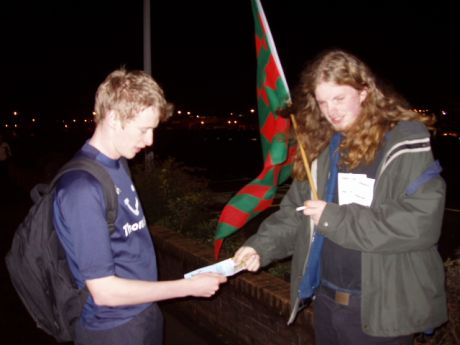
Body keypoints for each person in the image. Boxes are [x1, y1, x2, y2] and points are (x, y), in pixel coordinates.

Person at [233, 50, 447, 345]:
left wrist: (334, 218)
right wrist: (261, 246)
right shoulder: (322, 148)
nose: (330, 110)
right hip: (327, 301)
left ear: (364, 92)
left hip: (380, 310)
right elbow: (296, 213)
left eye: (339, 98)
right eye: (322, 102)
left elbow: (420, 224)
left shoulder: (404, 144)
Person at [53, 68, 227, 345]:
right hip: (112, 329)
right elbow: (104, 291)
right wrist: (187, 287)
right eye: (143, 129)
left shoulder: (118, 164)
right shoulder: (81, 188)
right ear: (113, 118)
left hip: (144, 314)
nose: (149, 141)